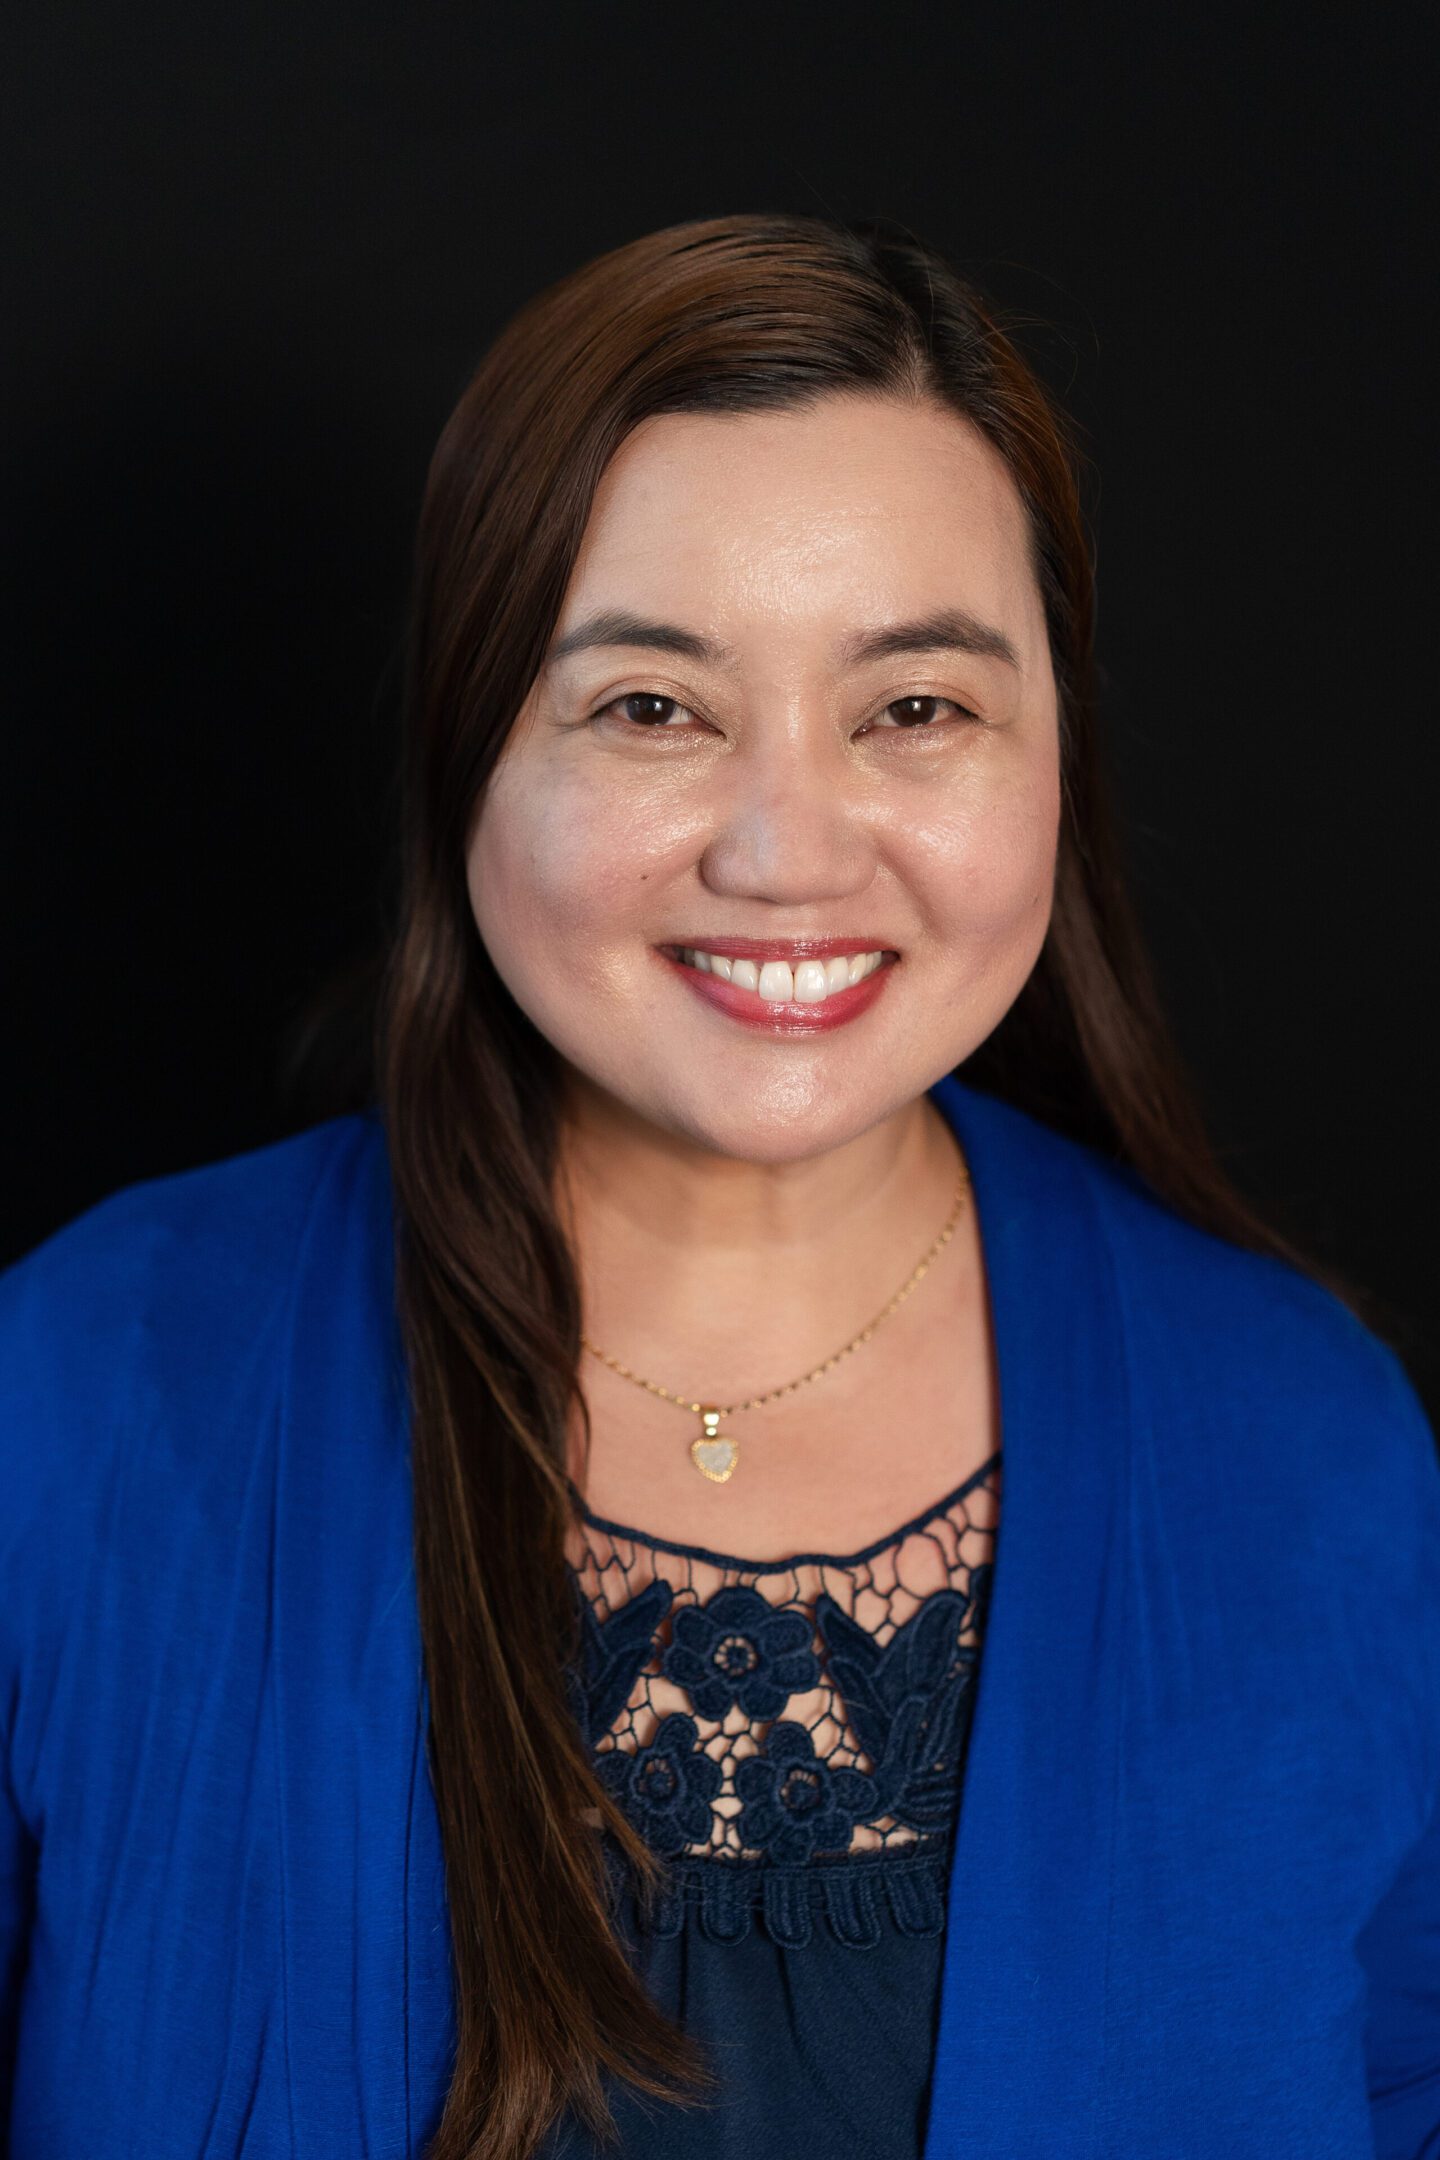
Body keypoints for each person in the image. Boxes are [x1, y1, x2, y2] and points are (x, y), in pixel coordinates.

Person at [1, 211, 1436, 2160]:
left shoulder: (1312, 1458)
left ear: (1056, 760)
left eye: (915, 708)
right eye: (653, 707)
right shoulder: (74, 1399)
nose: (788, 851)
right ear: (467, 753)